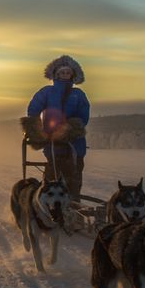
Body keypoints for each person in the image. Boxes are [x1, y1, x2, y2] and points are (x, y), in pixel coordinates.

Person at [26, 54, 90, 201]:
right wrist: (36, 127)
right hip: (52, 142)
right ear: (55, 74)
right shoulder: (46, 92)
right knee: (52, 177)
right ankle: (48, 208)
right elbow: (34, 109)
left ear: (73, 75)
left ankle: (74, 210)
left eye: (68, 72)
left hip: (75, 144)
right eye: (62, 72)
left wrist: (72, 128)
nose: (65, 75)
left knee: (74, 179)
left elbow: (83, 114)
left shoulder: (78, 94)